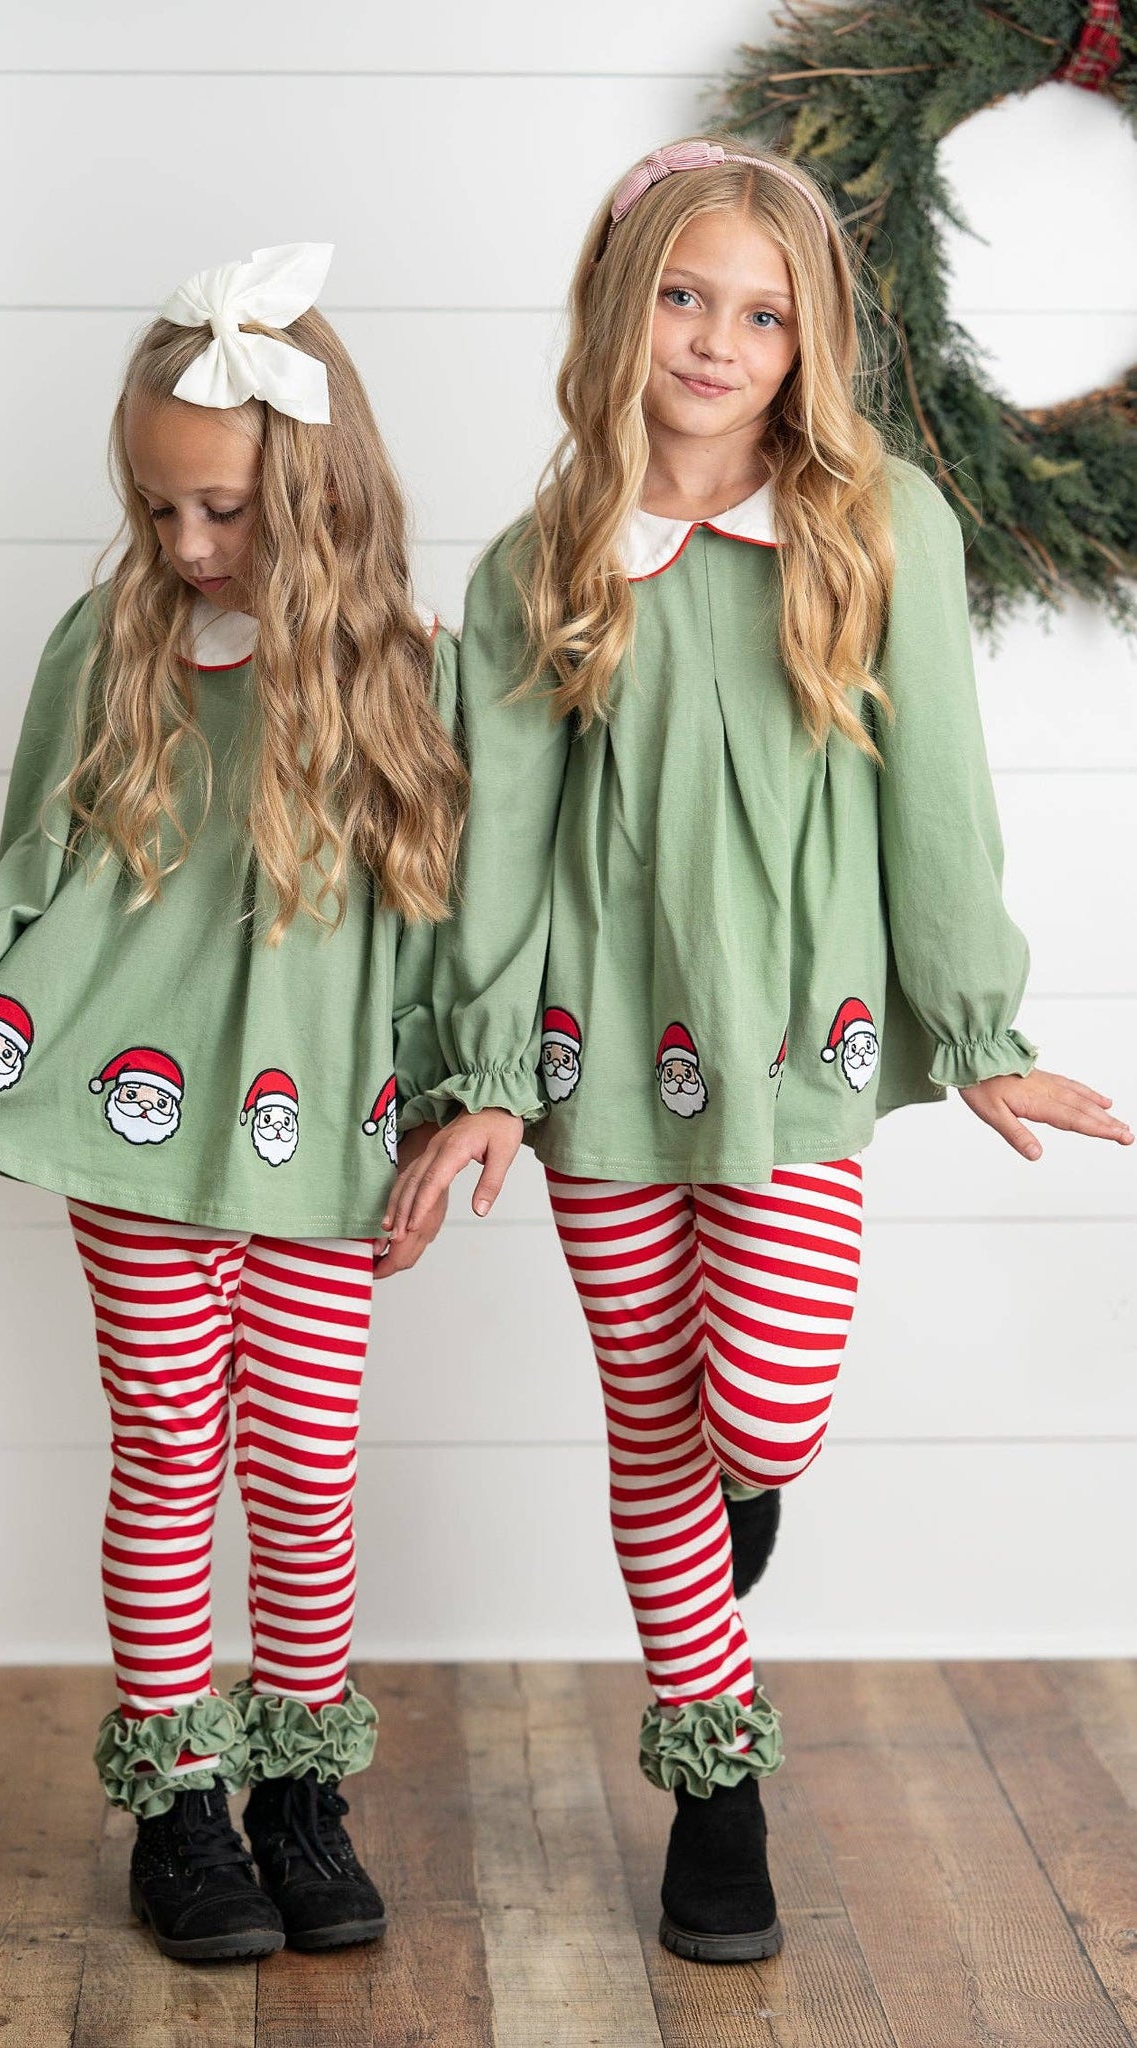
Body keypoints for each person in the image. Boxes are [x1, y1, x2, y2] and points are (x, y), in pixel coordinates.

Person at [385, 142, 1132, 1964]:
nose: (718, 342)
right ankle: (717, 1793)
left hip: (799, 1044)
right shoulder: (545, 562)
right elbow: (501, 847)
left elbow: (939, 796)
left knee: (762, 1406)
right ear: (617, 308)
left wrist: (978, 1028)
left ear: (810, 345)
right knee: (651, 1418)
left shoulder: (882, 528)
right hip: (602, 1054)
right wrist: (489, 1075)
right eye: (683, 298)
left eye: (763, 315)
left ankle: (747, 1484)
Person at [0, 245, 466, 1961]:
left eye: (223, 510)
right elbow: (31, 866)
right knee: (172, 1451)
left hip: (316, 1135)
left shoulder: (410, 672)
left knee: (307, 1471)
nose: (187, 544)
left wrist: (448, 1104)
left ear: (314, 494)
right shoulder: (114, 641)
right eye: (158, 507)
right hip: (134, 1132)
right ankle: (178, 1803)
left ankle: (302, 1793)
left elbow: (440, 921)